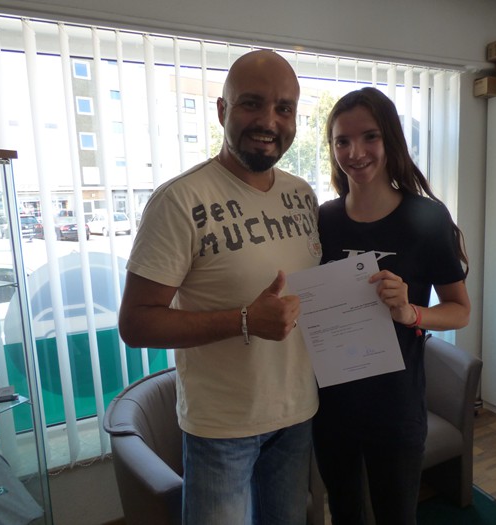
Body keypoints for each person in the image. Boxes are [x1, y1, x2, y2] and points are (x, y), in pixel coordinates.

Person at [118, 50, 322, 525]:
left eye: (284, 108)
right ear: (222, 110)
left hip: (297, 415)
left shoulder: (302, 195)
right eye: (252, 103)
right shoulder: (179, 200)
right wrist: (245, 320)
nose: (269, 121)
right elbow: (136, 323)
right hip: (221, 429)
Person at [312, 87, 471, 525]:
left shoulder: (426, 218)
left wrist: (410, 313)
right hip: (331, 405)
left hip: (395, 406)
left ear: (390, 140)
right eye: (342, 141)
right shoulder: (323, 220)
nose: (355, 152)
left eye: (370, 137)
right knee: (344, 514)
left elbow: (459, 309)